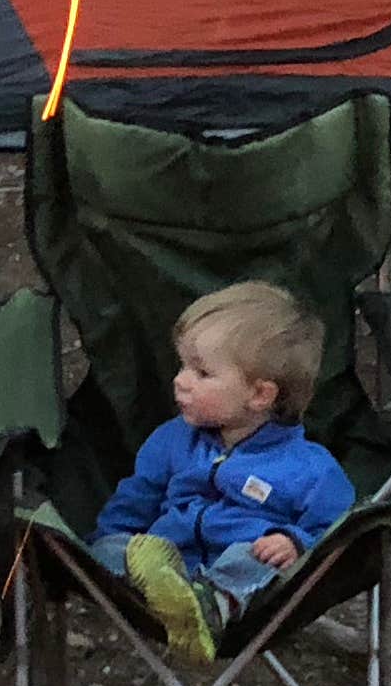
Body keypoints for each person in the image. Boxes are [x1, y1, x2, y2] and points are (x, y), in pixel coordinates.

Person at [93, 281, 354, 659]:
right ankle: (172, 591)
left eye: (201, 373)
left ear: (259, 395)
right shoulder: (173, 440)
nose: (180, 381)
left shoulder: (308, 467)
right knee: (105, 549)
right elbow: (138, 495)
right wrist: (117, 539)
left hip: (243, 573)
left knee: (256, 557)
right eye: (183, 366)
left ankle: (212, 603)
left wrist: (295, 541)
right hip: (172, 555)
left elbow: (338, 524)